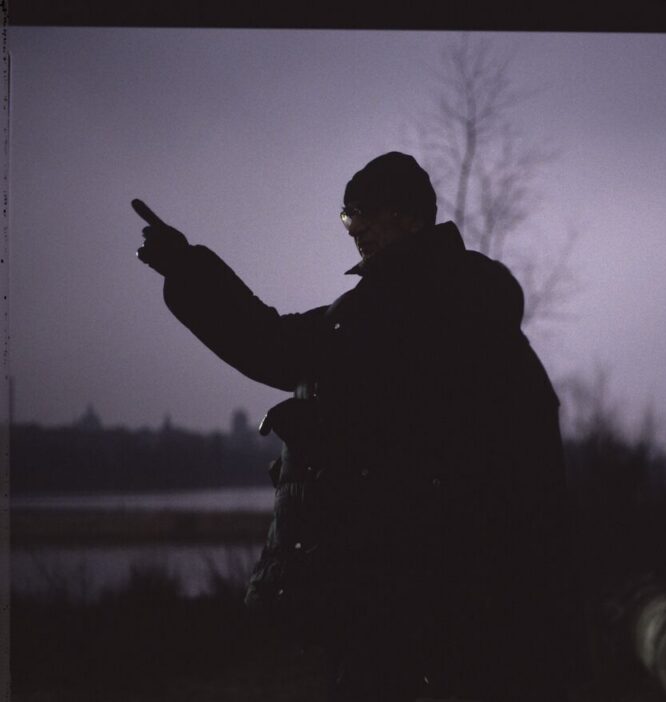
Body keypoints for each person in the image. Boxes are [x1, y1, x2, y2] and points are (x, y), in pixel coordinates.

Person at [133, 152, 576, 701]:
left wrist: (187, 270)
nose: (354, 228)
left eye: (363, 213)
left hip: (404, 602)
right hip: (449, 602)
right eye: (346, 217)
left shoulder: (395, 315)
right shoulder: (429, 314)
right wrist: (187, 267)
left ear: (411, 218)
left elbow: (275, 346)